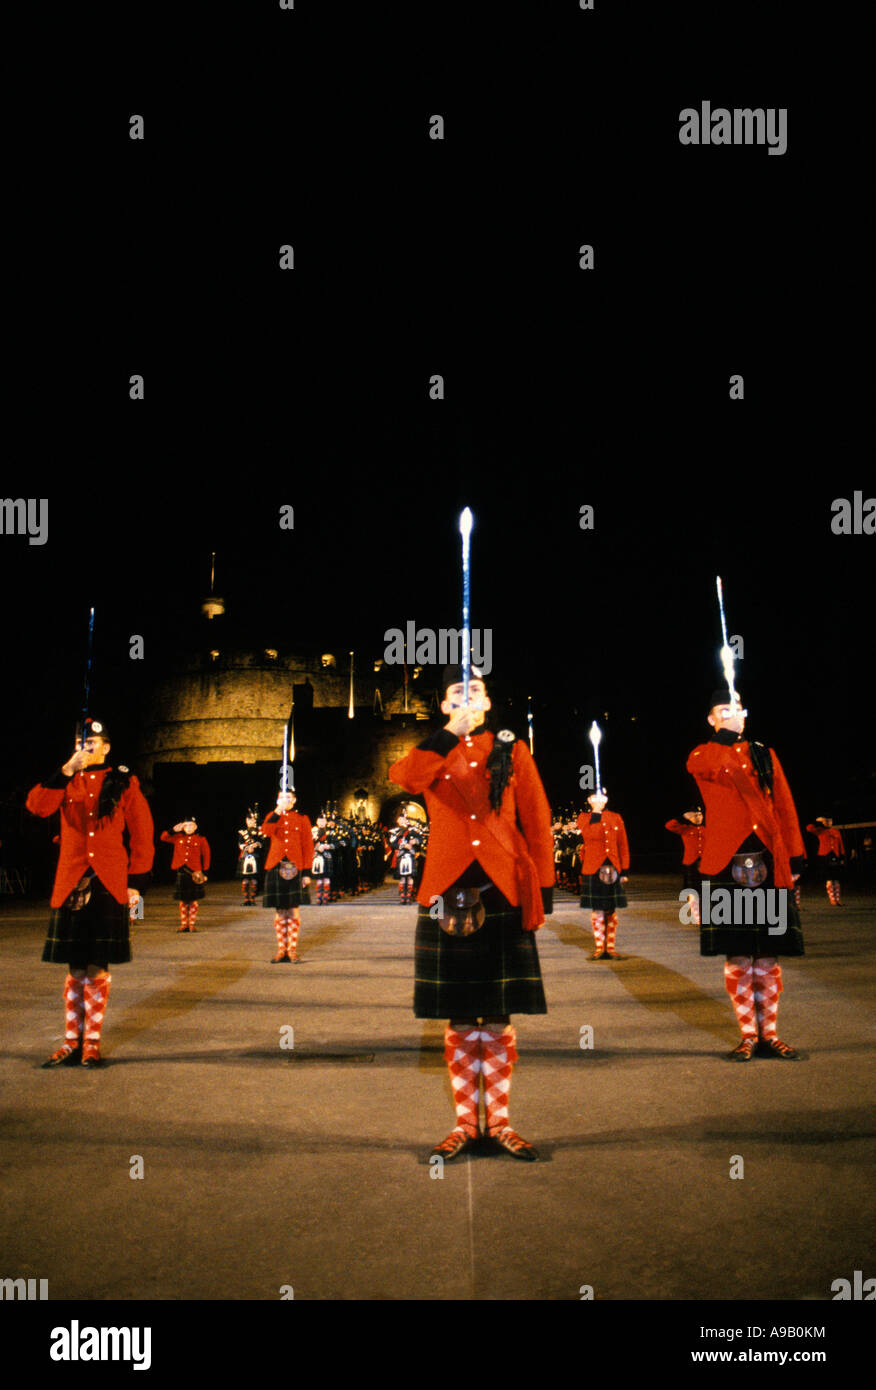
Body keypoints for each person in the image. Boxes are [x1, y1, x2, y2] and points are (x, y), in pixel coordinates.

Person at [389, 664, 554, 1163]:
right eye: (456, 693)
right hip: (445, 887)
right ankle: (465, 1124)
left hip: (501, 884)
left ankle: (499, 1123)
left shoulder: (512, 748)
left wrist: (542, 888)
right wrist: (446, 737)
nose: (466, 698)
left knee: (498, 1016)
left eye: (475, 690)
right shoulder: (431, 750)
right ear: (443, 705)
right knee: (462, 1017)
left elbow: (537, 815)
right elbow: (405, 779)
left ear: (487, 702)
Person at [26, 717, 154, 1068]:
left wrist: (136, 884)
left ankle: (92, 1044)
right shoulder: (65, 779)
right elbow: (37, 807)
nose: (86, 747)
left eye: (93, 742)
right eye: (81, 742)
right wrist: (66, 770)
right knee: (74, 966)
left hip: (108, 881)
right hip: (71, 880)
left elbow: (142, 834)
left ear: (107, 747)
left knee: (97, 966)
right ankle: (71, 1041)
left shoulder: (125, 781)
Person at [687, 689, 806, 1061]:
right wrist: (727, 736)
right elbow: (705, 769)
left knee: (767, 957)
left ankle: (770, 1034)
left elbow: (783, 802)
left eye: (737, 708)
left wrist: (796, 855)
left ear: (747, 713)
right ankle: (748, 1035)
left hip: (769, 856)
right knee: (739, 956)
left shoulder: (764, 753)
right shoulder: (702, 754)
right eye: (723, 710)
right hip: (726, 859)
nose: (731, 714)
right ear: (711, 719)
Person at [577, 793, 630, 958]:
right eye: (595, 797)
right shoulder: (584, 817)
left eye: (602, 797)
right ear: (589, 801)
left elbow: (622, 844)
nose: (599, 800)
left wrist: (624, 870)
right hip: (593, 866)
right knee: (597, 908)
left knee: (611, 909)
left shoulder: (616, 817)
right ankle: (599, 947)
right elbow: (589, 835)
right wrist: (597, 813)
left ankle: (611, 947)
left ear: (607, 799)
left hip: (612, 866)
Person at [261, 790, 312, 961]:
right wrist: (276, 812)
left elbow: (307, 846)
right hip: (276, 865)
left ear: (295, 800)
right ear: (277, 800)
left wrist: (306, 872)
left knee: (293, 910)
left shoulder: (302, 818)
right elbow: (266, 831)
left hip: (295, 867)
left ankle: (292, 950)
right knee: (280, 910)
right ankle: (281, 949)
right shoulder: (272, 816)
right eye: (282, 797)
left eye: (289, 797)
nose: (286, 800)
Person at [161, 818, 210, 931]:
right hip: (182, 871)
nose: (188, 828)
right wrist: (172, 830)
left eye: (191, 825)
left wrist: (205, 872)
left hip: (195, 873)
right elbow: (163, 837)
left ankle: (192, 924)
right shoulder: (178, 838)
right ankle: (184, 923)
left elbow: (206, 856)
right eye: (186, 825)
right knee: (183, 900)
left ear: (195, 827)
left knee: (193, 900)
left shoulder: (201, 839)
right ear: (183, 827)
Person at [665, 808, 705, 926]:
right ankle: (697, 916)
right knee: (692, 892)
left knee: (705, 890)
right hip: (690, 862)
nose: (697, 817)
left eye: (699, 815)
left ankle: (706, 915)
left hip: (704, 863)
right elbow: (669, 825)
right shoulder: (685, 829)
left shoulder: (707, 828)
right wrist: (683, 817)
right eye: (694, 815)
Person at [805, 817, 845, 906]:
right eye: (826, 821)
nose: (828, 822)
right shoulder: (820, 830)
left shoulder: (836, 831)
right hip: (824, 856)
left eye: (830, 820)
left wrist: (842, 856)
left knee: (837, 878)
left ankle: (838, 899)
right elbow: (808, 828)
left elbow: (840, 844)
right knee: (829, 878)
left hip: (835, 855)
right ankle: (832, 899)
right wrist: (816, 822)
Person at [388, 813, 424, 904]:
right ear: (398, 821)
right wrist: (403, 845)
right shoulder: (395, 831)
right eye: (400, 819)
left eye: (403, 819)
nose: (402, 821)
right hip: (402, 855)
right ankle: (402, 896)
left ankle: (409, 895)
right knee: (403, 877)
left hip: (411, 855)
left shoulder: (412, 830)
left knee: (410, 876)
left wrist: (415, 841)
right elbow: (392, 843)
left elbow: (421, 838)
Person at [237, 810, 266, 905]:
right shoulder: (242, 832)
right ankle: (246, 899)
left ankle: (252, 899)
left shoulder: (259, 832)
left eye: (253, 820)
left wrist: (256, 845)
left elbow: (262, 843)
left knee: (254, 879)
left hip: (256, 857)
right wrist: (246, 847)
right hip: (245, 857)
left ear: (255, 821)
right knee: (245, 879)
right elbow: (240, 843)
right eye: (249, 820)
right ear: (246, 821)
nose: (251, 822)